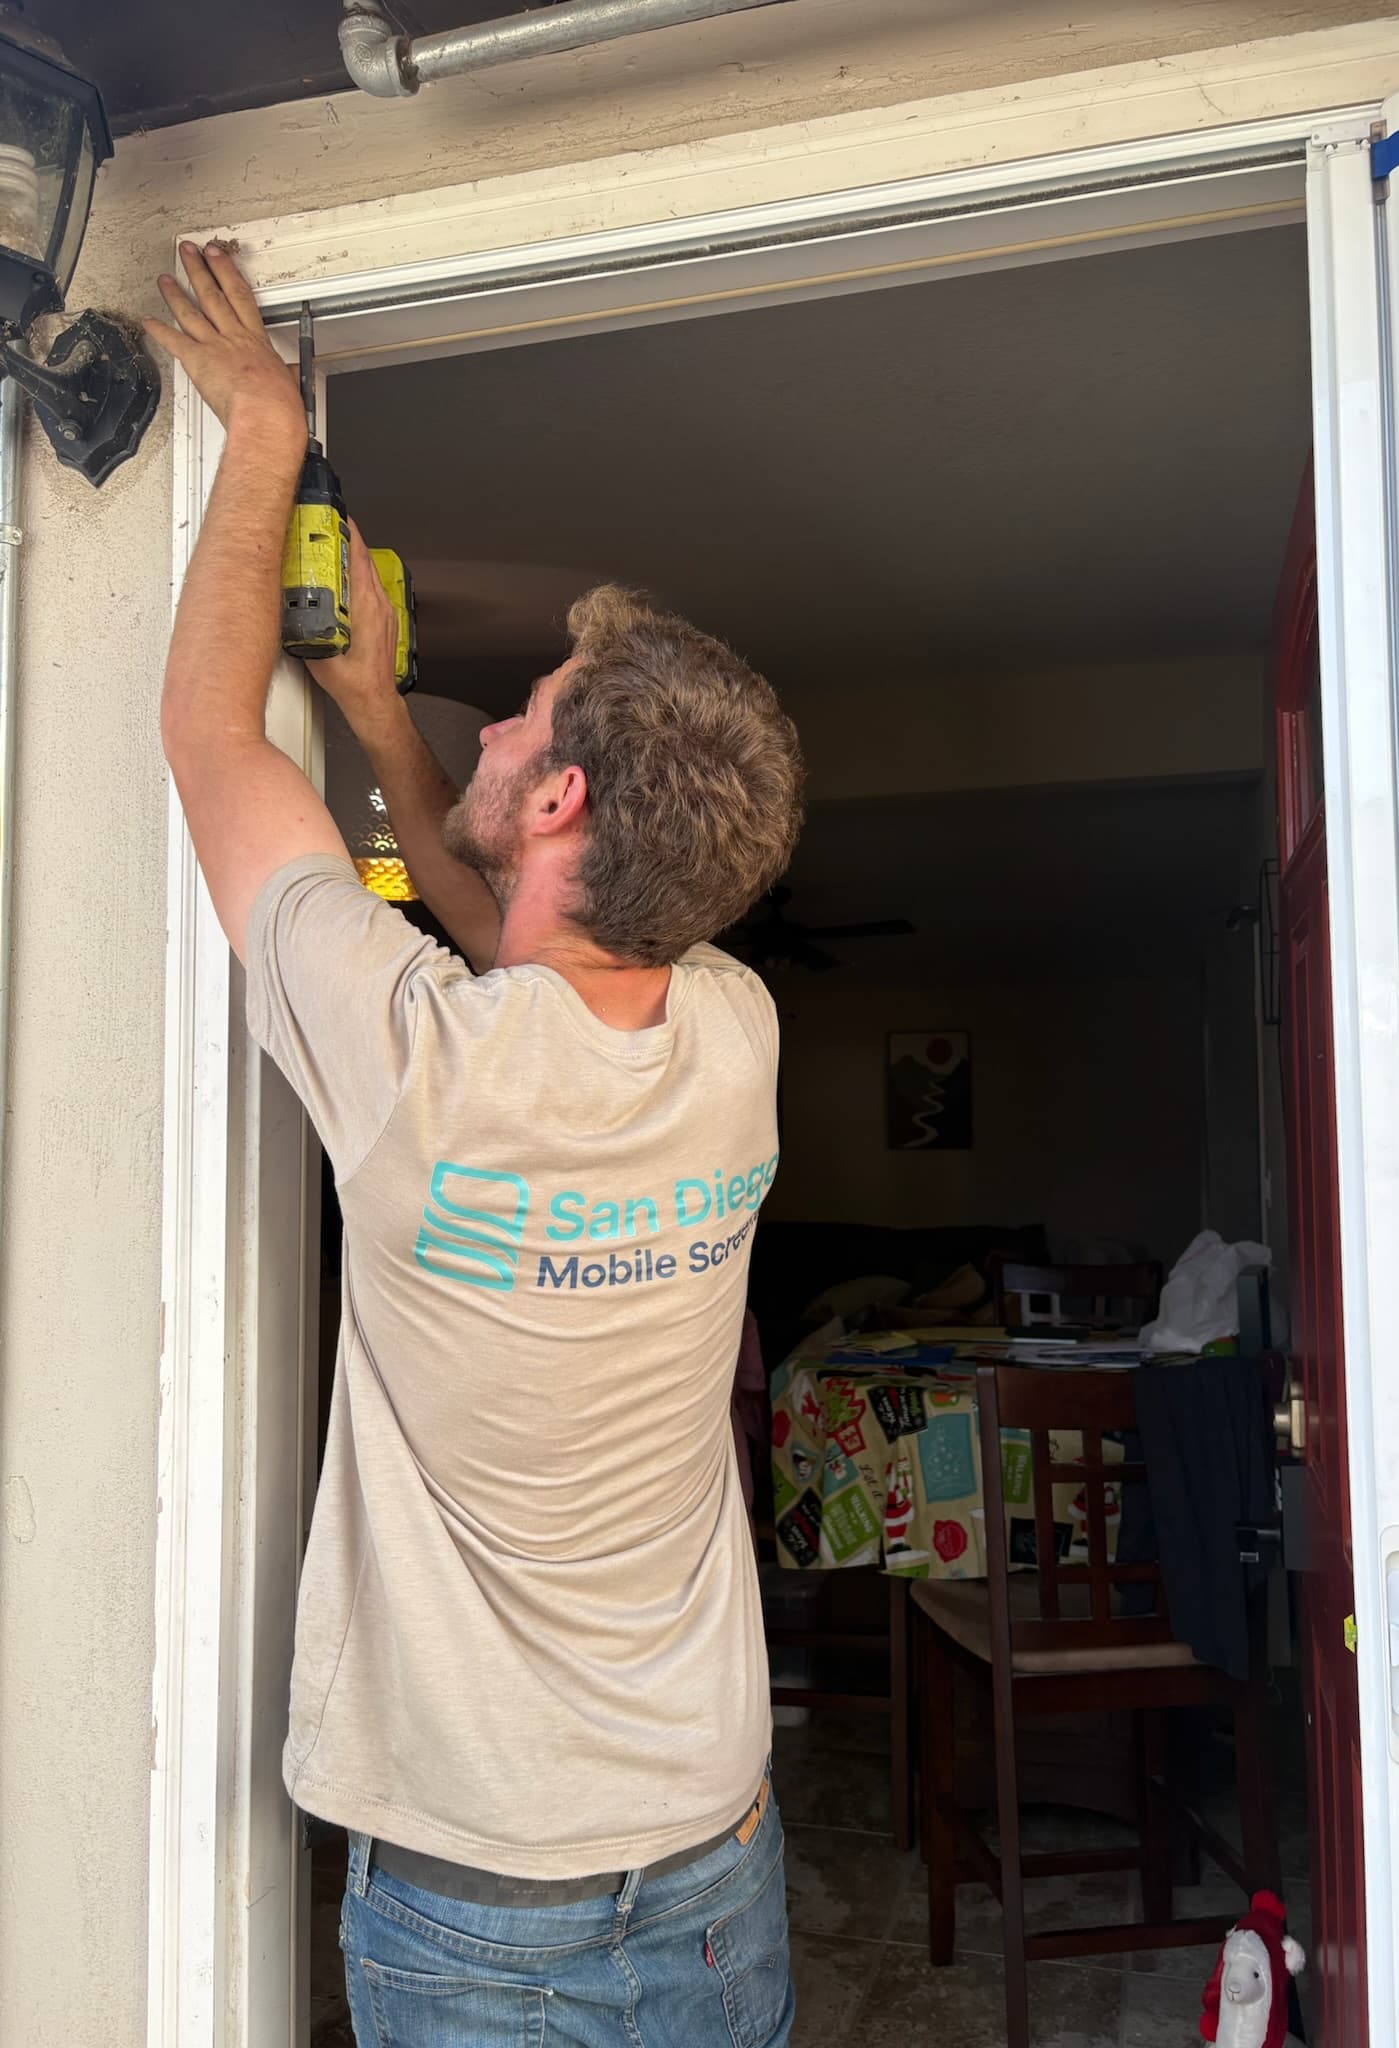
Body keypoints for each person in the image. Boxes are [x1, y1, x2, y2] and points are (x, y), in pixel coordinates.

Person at [146, 243, 805, 2048]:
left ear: (567, 798)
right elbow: (499, 913)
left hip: (482, 1904)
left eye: (519, 716)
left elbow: (205, 737)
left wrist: (263, 432)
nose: (494, 720)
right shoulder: (731, 1038)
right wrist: (379, 713)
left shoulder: (423, 1069)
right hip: (715, 1852)